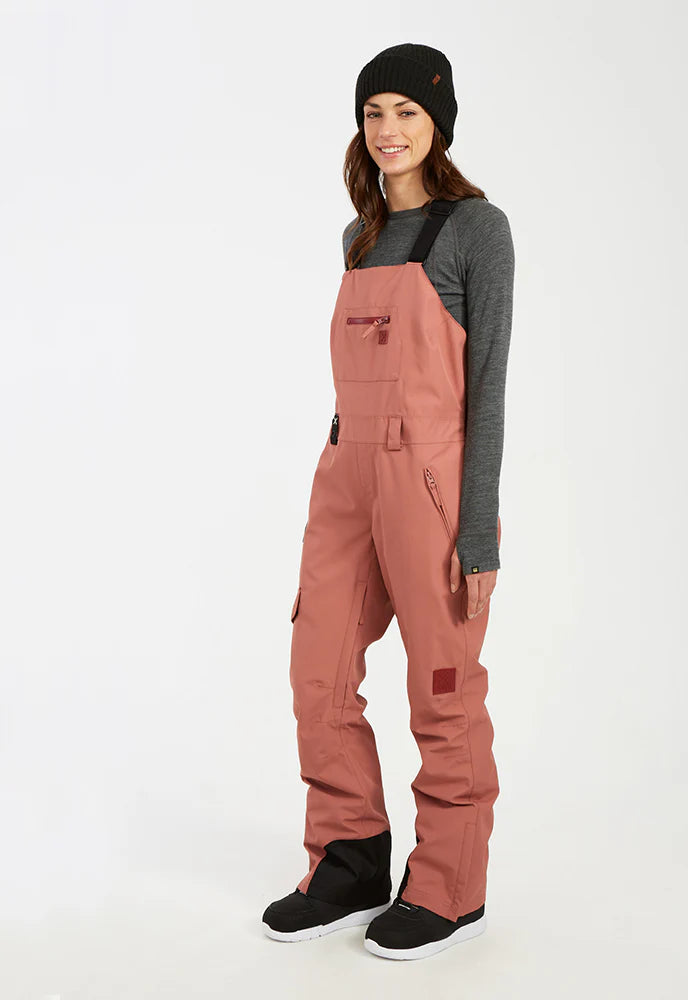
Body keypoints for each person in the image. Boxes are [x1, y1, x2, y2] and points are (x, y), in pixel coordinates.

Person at [262, 42, 515, 961]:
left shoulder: (476, 229)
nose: (388, 129)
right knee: (318, 671)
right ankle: (351, 859)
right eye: (374, 113)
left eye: (407, 111)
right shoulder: (358, 237)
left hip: (429, 481)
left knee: (441, 686)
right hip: (345, 473)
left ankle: (450, 884)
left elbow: (487, 389)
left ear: (438, 122)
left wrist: (477, 531)